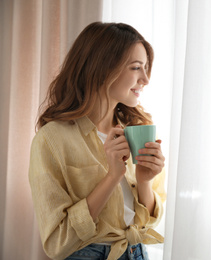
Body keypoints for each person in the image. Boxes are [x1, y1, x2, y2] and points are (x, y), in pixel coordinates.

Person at [29, 22, 166, 260]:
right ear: (102, 68)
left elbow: (150, 220)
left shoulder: (139, 131)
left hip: (137, 252)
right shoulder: (51, 140)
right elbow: (57, 242)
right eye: (136, 68)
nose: (145, 79)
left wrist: (144, 182)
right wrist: (113, 176)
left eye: (145, 68)